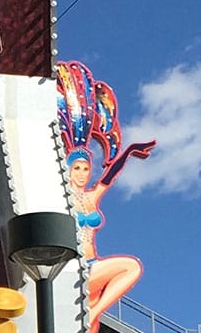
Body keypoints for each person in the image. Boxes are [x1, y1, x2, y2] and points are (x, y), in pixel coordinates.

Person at [56, 60, 155, 333]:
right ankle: (92, 313)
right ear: (66, 169)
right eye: (76, 168)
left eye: (86, 168)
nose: (82, 173)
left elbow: (110, 175)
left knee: (91, 328)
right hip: (73, 271)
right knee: (129, 267)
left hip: (93, 267)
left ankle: (92, 313)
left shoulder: (92, 197)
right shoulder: (59, 195)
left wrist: (132, 150)